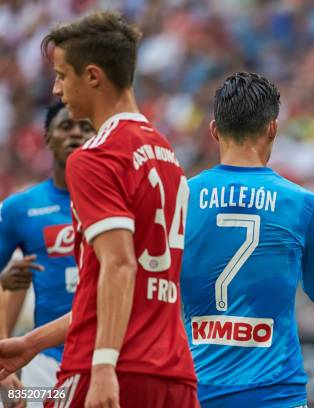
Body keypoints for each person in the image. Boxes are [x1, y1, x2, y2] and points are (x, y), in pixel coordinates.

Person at [0, 11, 197, 407]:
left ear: (92, 76)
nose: (55, 89)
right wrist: (32, 343)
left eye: (61, 74)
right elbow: (123, 289)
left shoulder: (95, 156)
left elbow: (120, 266)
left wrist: (104, 365)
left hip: (108, 369)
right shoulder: (166, 154)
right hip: (173, 373)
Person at [181, 72, 314, 408]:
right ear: (273, 128)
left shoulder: (182, 197)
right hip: (275, 392)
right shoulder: (301, 204)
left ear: (214, 130)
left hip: (198, 388)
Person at [0, 102, 95, 400]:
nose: (76, 134)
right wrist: (4, 279)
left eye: (85, 127)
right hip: (46, 361)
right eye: (66, 127)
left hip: (109, 356)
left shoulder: (120, 202)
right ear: (47, 137)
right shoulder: (20, 208)